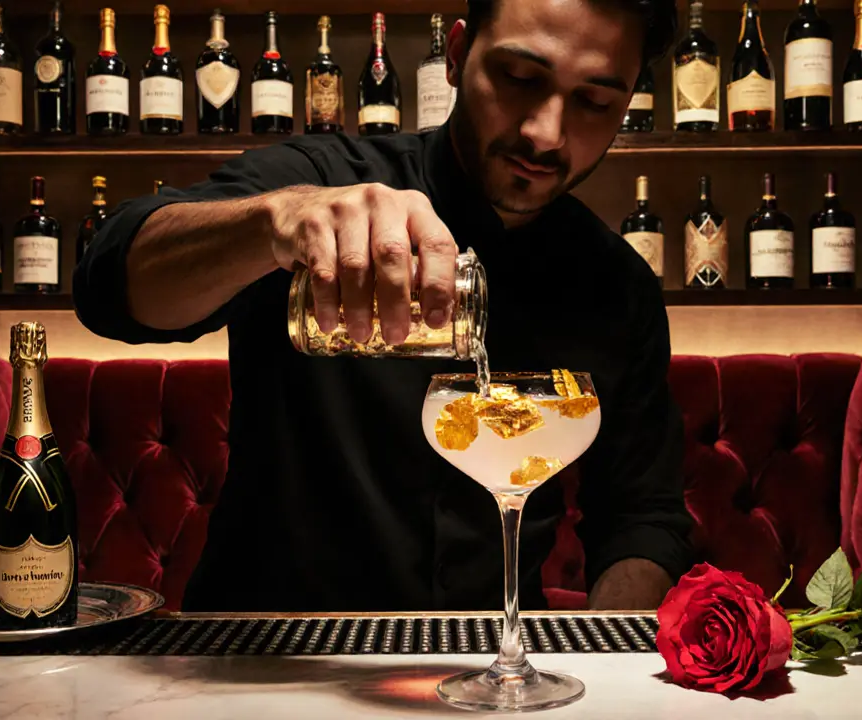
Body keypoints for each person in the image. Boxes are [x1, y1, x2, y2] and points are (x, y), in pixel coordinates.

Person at [75, 0, 692, 612]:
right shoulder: (321, 180)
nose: (545, 133)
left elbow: (641, 517)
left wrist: (606, 659)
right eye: (520, 78)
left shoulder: (617, 284)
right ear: (455, 55)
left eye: (594, 102)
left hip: (489, 670)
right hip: (268, 658)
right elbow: (109, 284)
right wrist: (274, 223)